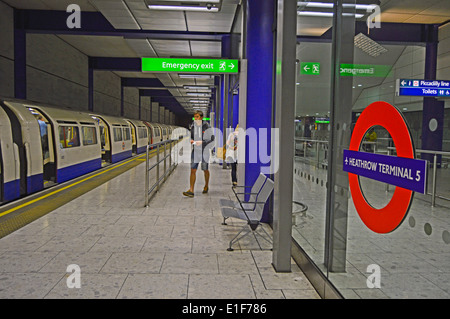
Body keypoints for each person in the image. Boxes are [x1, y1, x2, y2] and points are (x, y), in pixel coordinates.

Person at [183, 111, 215, 197]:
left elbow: (212, 139)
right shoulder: (193, 126)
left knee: (205, 169)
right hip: (195, 151)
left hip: (204, 151)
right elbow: (191, 136)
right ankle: (191, 190)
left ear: (201, 117)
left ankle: (206, 185)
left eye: (197, 117)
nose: (195, 119)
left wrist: (202, 142)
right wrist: (191, 140)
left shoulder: (207, 126)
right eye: (194, 117)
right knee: (193, 170)